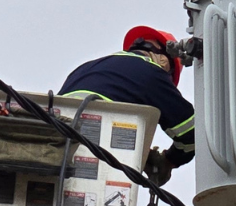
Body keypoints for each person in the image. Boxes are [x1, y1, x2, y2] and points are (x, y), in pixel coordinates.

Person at [60, 26, 195, 185]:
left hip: (59, 149)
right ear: (165, 60)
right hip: (98, 160)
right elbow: (191, 134)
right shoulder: (151, 73)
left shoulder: (83, 69)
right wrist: (168, 160)